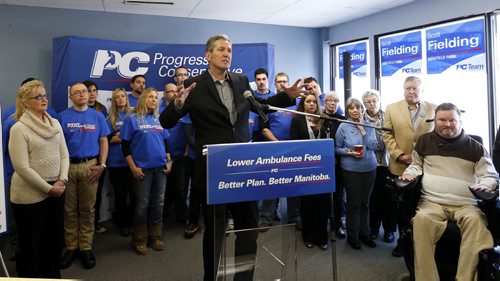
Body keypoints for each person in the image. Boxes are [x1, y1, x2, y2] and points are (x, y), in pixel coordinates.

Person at [159, 34, 304, 281]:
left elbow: (261, 104)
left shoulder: (240, 80)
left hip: (242, 167)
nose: (227, 54)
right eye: (222, 50)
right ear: (208, 55)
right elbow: (166, 121)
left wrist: (287, 96)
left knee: (248, 231)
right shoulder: (193, 85)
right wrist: (177, 105)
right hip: (214, 169)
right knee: (215, 232)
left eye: (230, 50)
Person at [399, 103, 498, 281]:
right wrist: (408, 174)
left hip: (466, 204)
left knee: (477, 225)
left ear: (460, 121)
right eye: (442, 120)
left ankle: (465, 278)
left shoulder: (475, 148)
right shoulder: (424, 141)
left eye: (452, 120)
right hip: (432, 202)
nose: (447, 124)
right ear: (435, 121)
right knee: (421, 221)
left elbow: (490, 176)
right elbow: (416, 165)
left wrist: (487, 185)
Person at [8, 80, 69, 278]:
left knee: (53, 242)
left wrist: (62, 180)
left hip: (56, 191)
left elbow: (64, 155)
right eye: (38, 97)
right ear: (26, 102)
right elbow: (22, 168)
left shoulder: (55, 124)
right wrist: (49, 188)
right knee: (31, 246)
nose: (44, 100)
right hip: (30, 196)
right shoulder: (19, 128)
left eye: (45, 96)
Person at [58, 82, 110, 270]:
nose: (81, 94)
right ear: (71, 97)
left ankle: (86, 247)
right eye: (76, 92)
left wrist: (102, 164)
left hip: (91, 166)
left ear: (89, 95)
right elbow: (58, 146)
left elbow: (104, 141)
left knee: (88, 209)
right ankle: (72, 247)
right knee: (69, 210)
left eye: (84, 91)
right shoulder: (62, 117)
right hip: (68, 167)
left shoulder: (97, 116)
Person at [383, 76, 436, 257]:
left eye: (414, 88)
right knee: (402, 209)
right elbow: (387, 136)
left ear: (422, 90)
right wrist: (399, 155)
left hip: (426, 168)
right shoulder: (391, 108)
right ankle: (403, 241)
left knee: (423, 207)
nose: (410, 92)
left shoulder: (434, 108)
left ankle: (422, 243)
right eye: (407, 88)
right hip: (400, 166)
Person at [121, 87, 172, 255]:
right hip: (142, 169)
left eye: (156, 97)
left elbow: (165, 143)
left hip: (161, 168)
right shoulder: (132, 119)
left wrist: (169, 160)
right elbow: (125, 146)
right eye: (150, 96)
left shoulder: (159, 119)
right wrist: (133, 167)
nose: (153, 100)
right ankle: (139, 238)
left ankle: (155, 236)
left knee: (159, 202)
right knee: (142, 204)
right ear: (143, 99)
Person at [335, 97, 378, 250]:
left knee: (365, 203)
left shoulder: (369, 125)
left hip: (369, 168)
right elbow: (336, 148)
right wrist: (349, 152)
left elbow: (373, 146)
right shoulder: (343, 127)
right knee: (353, 203)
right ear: (347, 111)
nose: (354, 110)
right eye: (351, 108)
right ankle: (353, 236)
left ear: (362, 110)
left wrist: (362, 130)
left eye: (357, 108)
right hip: (350, 169)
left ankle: (364, 234)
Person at [290, 91, 331, 250]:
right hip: (305, 168)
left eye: (314, 101)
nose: (311, 104)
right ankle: (308, 236)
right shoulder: (297, 120)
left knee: (322, 204)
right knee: (307, 204)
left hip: (323, 167)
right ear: (303, 104)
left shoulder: (325, 120)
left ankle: (322, 237)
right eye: (308, 101)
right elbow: (293, 144)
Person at [362, 89, 396, 243]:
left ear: (379, 101)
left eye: (374, 101)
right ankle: (374, 229)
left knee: (389, 199)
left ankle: (389, 230)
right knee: (373, 199)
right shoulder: (361, 119)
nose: (372, 104)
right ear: (364, 104)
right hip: (370, 164)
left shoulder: (388, 117)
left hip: (388, 164)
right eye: (368, 101)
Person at [106, 88, 134, 237]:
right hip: (115, 162)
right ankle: (123, 223)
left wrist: (119, 136)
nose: (121, 99)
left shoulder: (133, 116)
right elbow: (107, 140)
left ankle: (130, 221)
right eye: (117, 97)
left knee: (133, 193)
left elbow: (134, 137)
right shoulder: (109, 118)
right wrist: (123, 137)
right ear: (114, 100)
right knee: (120, 194)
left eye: (123, 96)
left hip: (130, 162)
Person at [161, 83, 190, 225]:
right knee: (163, 188)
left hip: (180, 155)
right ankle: (163, 214)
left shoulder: (182, 108)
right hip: (162, 156)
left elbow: (188, 130)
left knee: (180, 188)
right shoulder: (159, 110)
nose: (172, 93)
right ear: (164, 93)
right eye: (169, 91)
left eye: (174, 91)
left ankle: (181, 216)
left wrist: (186, 149)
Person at [83, 80, 108, 234]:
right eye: (89, 90)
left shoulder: (101, 110)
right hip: (83, 158)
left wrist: (102, 161)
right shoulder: (76, 111)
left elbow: (105, 136)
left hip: (99, 157)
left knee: (96, 192)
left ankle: (95, 221)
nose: (91, 93)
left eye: (94, 90)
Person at [323, 91, 347, 239]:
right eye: (329, 100)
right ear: (324, 103)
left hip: (339, 163)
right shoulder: (319, 118)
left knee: (338, 195)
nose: (332, 103)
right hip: (323, 163)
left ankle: (338, 224)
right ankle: (323, 223)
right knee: (324, 196)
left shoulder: (343, 120)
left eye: (335, 101)